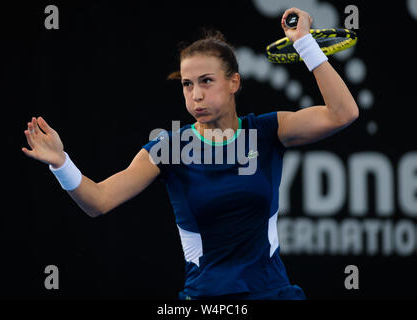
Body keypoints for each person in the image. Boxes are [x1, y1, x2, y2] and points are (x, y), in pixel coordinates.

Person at [22, 8, 358, 300]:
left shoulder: (268, 131)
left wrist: (304, 43)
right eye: (187, 84)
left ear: (234, 82)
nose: (195, 95)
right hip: (205, 300)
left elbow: (343, 113)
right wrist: (60, 163)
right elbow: (99, 200)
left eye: (206, 81)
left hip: (273, 293)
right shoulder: (168, 148)